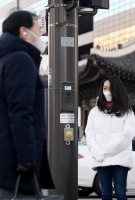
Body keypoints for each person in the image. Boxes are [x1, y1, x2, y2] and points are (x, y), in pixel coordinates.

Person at [0, 11, 54, 196]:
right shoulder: (20, 60)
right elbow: (21, 112)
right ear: (24, 32)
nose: (41, 36)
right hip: (16, 163)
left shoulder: (4, 59)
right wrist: (27, 158)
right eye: (38, 30)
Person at [85, 76, 135, 200]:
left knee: (120, 193)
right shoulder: (94, 112)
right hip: (101, 159)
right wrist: (97, 152)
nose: (107, 91)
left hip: (120, 158)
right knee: (105, 194)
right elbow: (89, 134)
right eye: (105, 88)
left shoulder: (127, 111)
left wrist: (104, 151)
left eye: (110, 88)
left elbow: (127, 136)